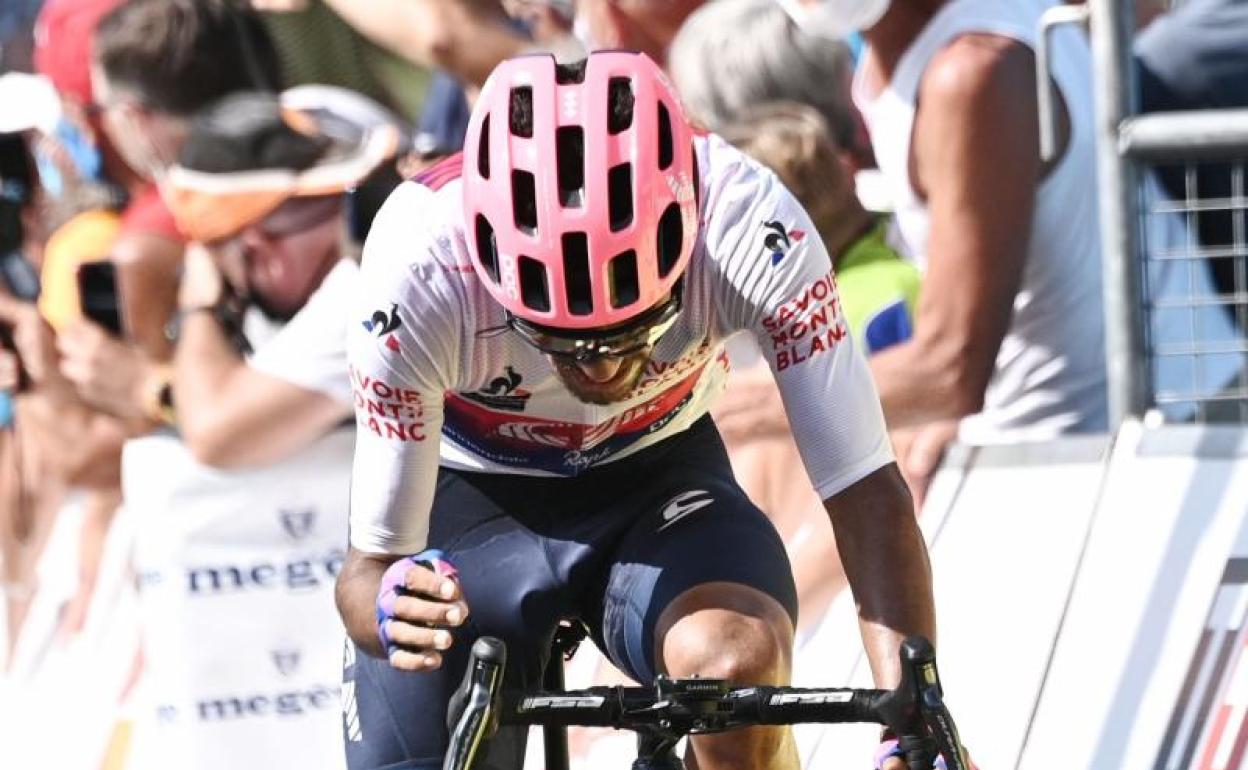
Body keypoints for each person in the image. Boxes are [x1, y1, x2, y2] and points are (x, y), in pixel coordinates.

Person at [338, 51, 938, 770]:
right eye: (557, 342)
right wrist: (392, 607)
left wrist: (912, 719)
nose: (598, 370)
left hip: (657, 480)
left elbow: (864, 487)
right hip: (469, 501)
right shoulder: (418, 266)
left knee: (733, 670)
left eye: (634, 331)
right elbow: (368, 570)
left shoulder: (748, 224)